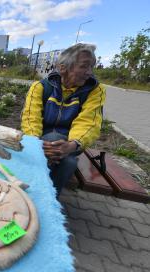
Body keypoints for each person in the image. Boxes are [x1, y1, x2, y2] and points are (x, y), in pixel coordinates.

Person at [21, 43, 106, 197]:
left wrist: (73, 144)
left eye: (91, 67)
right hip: (41, 140)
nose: (89, 73)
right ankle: (50, 201)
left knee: (61, 157)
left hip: (71, 142)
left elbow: (89, 122)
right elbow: (30, 118)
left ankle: (33, 197)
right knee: (68, 163)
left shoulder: (94, 91)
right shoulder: (40, 87)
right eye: (84, 66)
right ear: (63, 68)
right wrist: (36, 144)